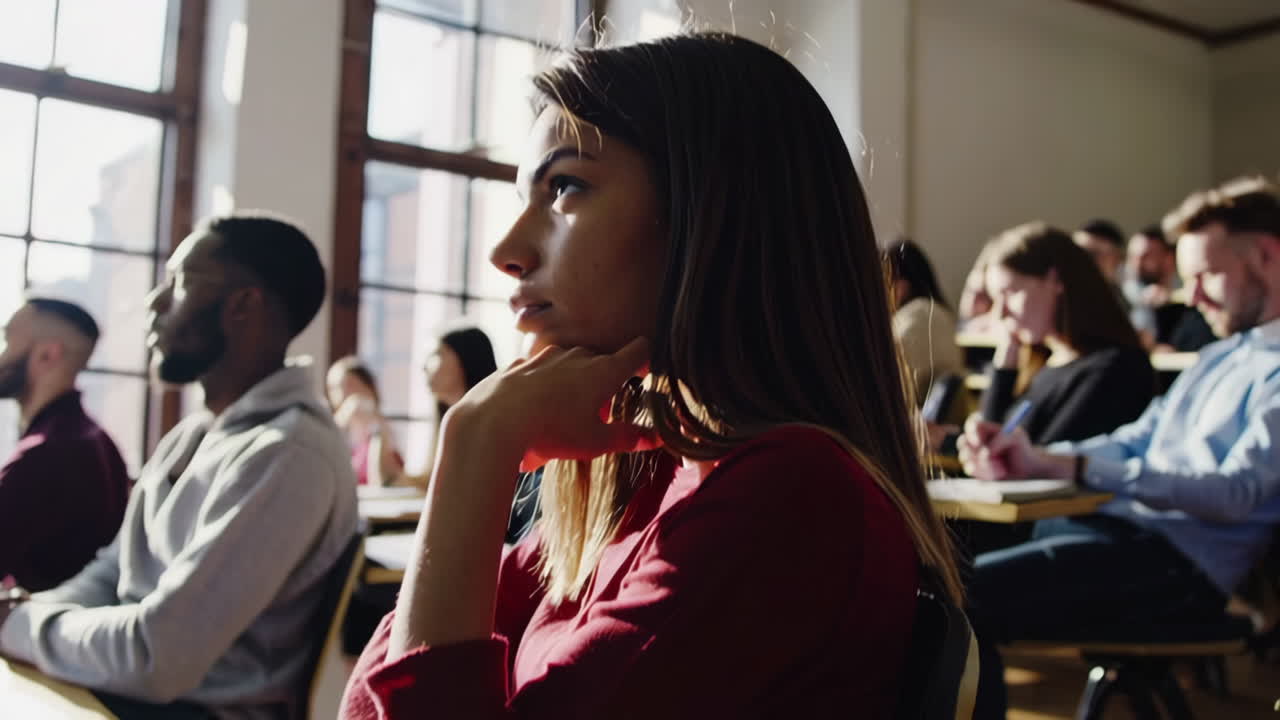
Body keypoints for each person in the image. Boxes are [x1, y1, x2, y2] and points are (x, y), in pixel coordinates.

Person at [339, 32, 961, 719]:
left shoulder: (791, 496)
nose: (505, 250)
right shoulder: (651, 471)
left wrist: (476, 446)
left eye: (565, 186)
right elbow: (372, 703)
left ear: (712, 210)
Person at [0, 213, 359, 719]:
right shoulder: (194, 434)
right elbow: (113, 573)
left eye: (180, 282)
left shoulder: (288, 453)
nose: (155, 302)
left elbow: (157, 657)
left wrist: (18, 627)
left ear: (243, 305)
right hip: (128, 695)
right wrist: (27, 614)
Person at [958, 177, 1280, 719]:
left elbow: (1236, 494)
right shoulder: (1221, 356)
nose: (1192, 297)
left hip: (1178, 569)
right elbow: (1136, 438)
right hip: (1124, 536)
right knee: (936, 564)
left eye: (1206, 275)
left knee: (962, 598)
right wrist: (1039, 458)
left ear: (1267, 256)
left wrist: (1080, 466)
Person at [979, 221, 1155, 446]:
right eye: (995, 298)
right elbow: (992, 438)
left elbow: (1046, 457)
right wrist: (1007, 358)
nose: (1000, 313)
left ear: (1055, 280)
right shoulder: (1043, 363)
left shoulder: (1115, 369)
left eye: (1010, 293)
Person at [0, 298, 130, 592]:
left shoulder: (44, 454)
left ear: (48, 354)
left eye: (6, 341)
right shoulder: (98, 440)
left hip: (45, 619)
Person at [884, 239, 965, 406]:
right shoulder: (936, 312)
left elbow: (889, 379)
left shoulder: (917, 317)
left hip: (919, 414)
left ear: (901, 286)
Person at [1125, 225, 1216, 352]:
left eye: (1146, 256)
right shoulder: (1127, 305)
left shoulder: (1195, 306)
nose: (1137, 264)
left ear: (1168, 259)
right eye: (1132, 257)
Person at [327, 356, 404, 486]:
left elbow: (384, 481)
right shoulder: (337, 431)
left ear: (369, 387)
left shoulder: (382, 430)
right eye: (334, 388)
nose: (341, 394)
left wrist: (377, 423)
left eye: (349, 385)